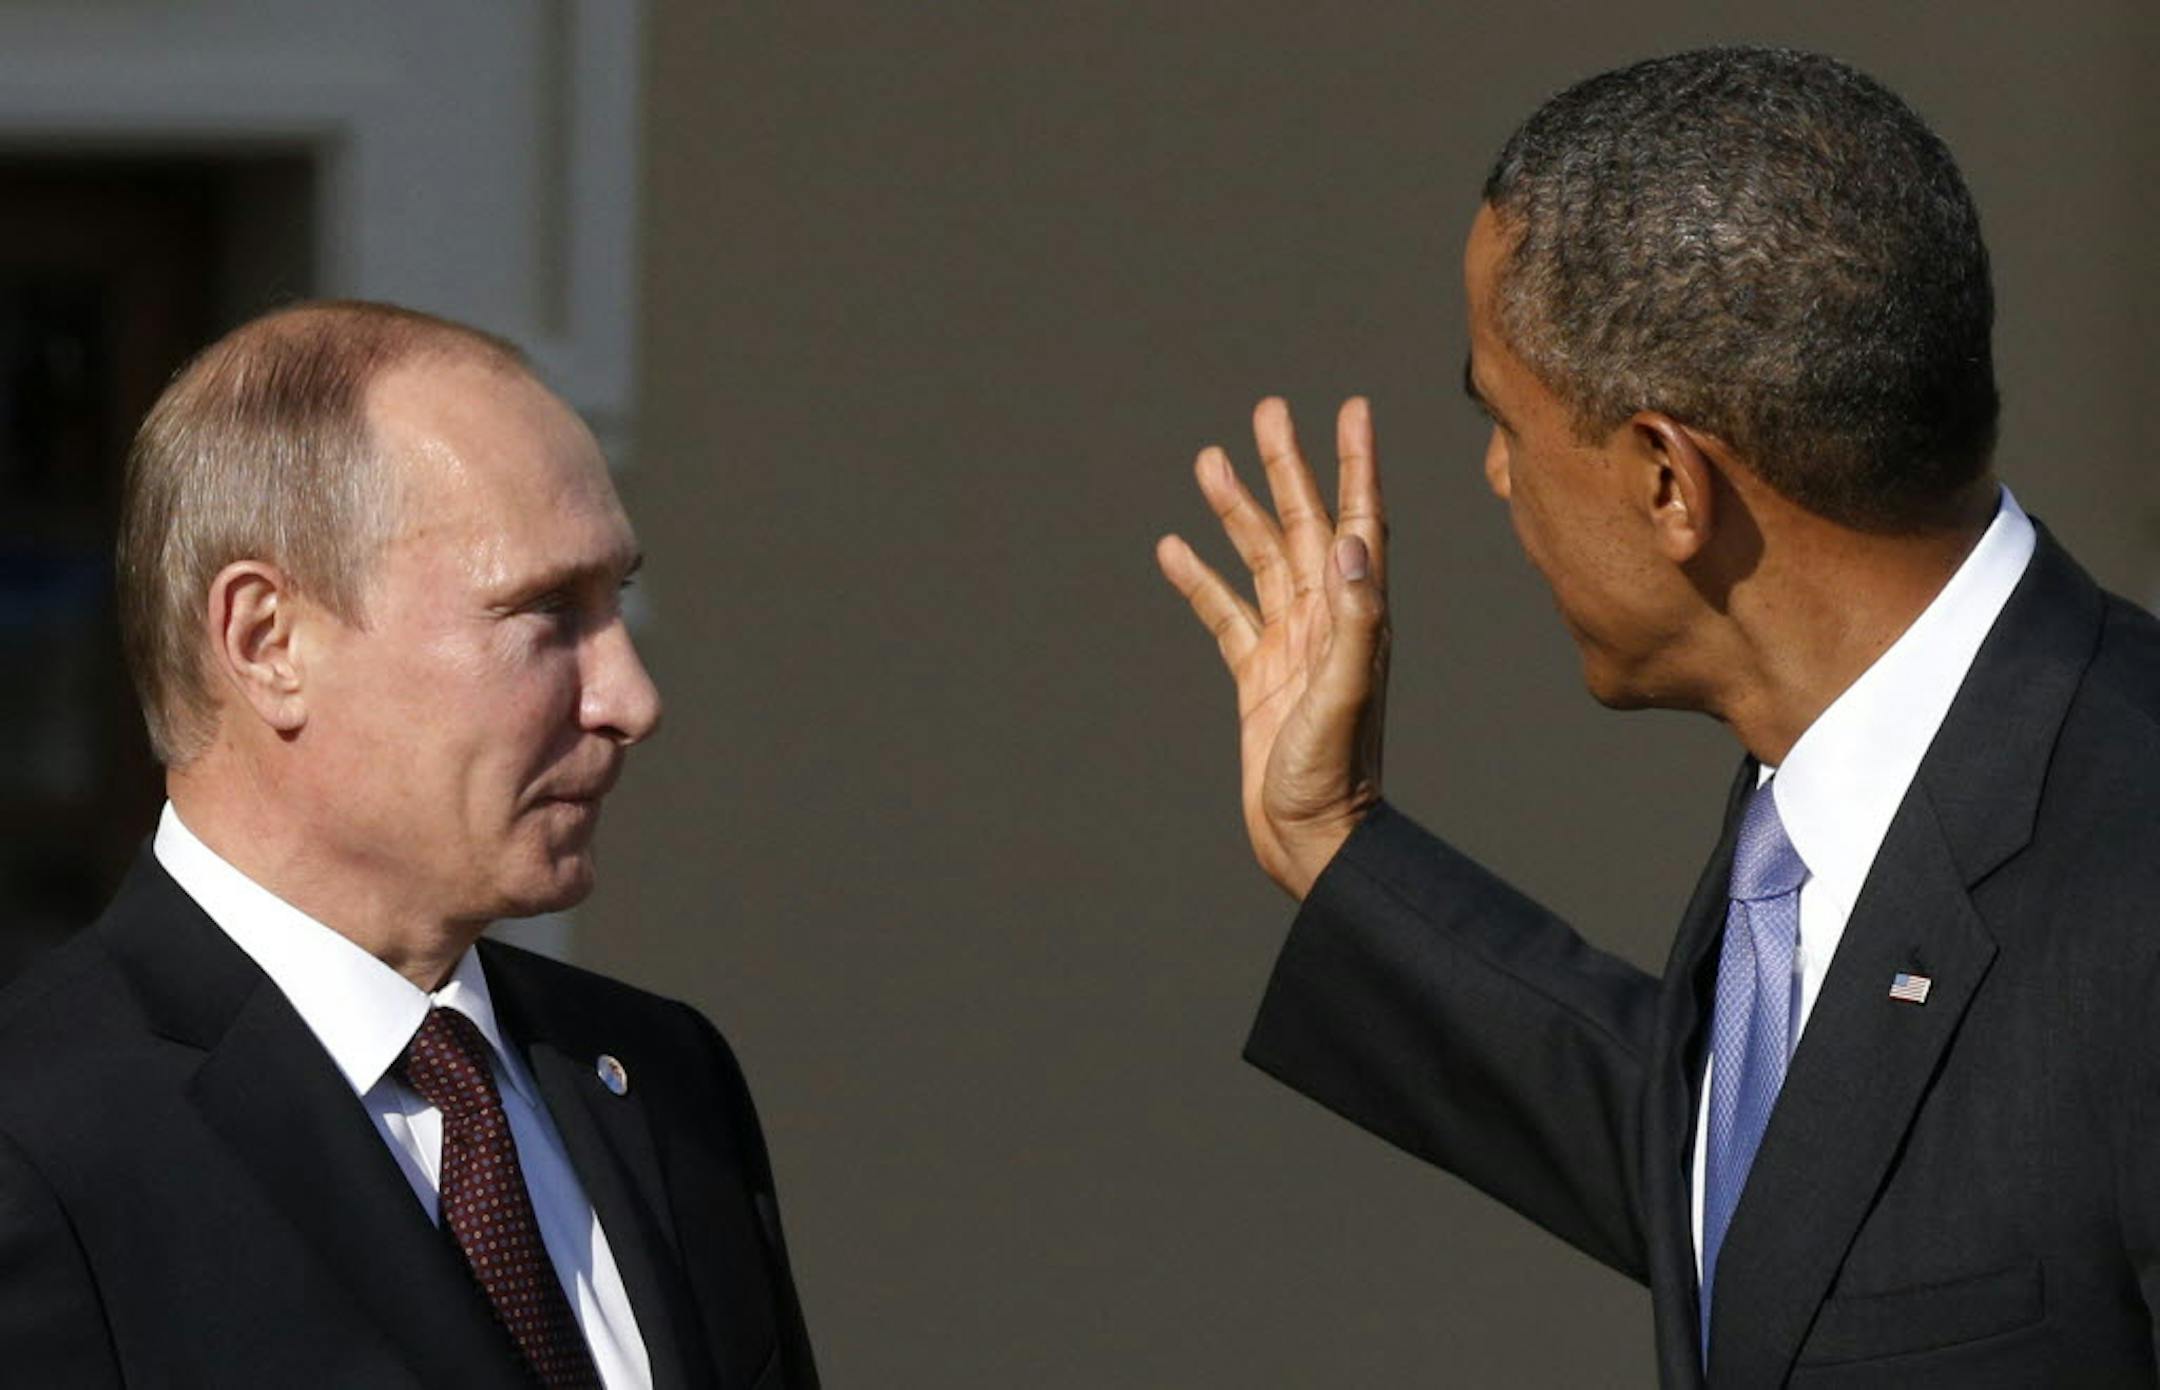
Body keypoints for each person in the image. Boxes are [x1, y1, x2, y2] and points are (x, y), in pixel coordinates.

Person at [1158, 46, 2160, 1388]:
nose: (1496, 474)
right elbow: (1800, 1205)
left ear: (1668, 480)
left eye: (1505, 416)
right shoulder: (1824, 792)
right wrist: (1336, 844)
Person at [0, 301, 818, 1388]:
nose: (630, 698)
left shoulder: (661, 1080)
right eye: (544, 613)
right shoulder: (40, 1141)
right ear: (268, 641)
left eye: (612, 601)